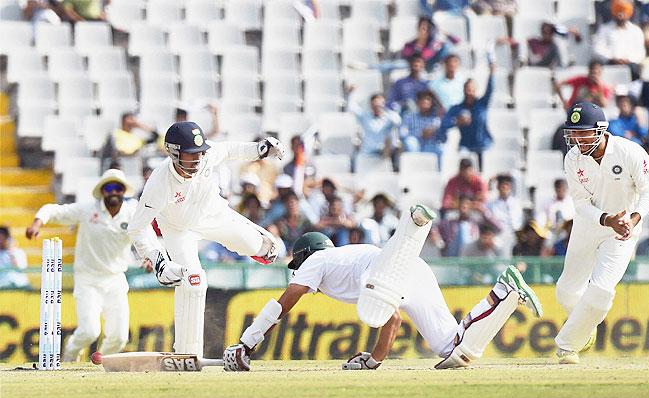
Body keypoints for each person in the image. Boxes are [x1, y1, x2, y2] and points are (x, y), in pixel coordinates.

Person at [220, 206, 542, 372]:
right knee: (454, 351)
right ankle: (503, 292)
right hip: (411, 270)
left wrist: (246, 344)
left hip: (384, 269)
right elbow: (394, 320)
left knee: (377, 309)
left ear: (305, 255)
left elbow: (282, 304)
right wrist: (374, 358)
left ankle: (413, 223)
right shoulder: (341, 259)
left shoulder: (317, 261)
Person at [127, 122, 286, 357]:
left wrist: (260, 149)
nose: (197, 161)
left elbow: (231, 150)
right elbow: (137, 228)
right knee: (193, 282)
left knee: (267, 249)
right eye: (189, 156)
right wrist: (158, 260)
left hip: (214, 214)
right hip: (178, 229)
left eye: (199, 154)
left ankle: (256, 245)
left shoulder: (206, 155)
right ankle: (186, 354)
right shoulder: (159, 183)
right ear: (173, 153)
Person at [555, 102, 649, 364]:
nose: (577, 139)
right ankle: (584, 331)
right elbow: (580, 204)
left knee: (601, 290)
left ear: (600, 130)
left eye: (583, 132)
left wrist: (632, 220)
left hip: (623, 229)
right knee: (566, 292)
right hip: (590, 224)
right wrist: (605, 219)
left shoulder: (630, 152)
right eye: (573, 133)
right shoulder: (573, 158)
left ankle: (567, 346)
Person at [25, 169, 153, 361]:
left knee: (119, 337)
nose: (113, 192)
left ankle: (102, 365)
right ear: (102, 191)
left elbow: (147, 237)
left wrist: (149, 256)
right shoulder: (88, 210)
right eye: (109, 188)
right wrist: (37, 223)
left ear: (123, 191)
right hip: (88, 279)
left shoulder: (132, 212)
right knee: (89, 331)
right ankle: (69, 357)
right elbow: (54, 210)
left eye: (118, 188)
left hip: (115, 279)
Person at [437, 58, 496, 167]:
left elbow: (490, 90)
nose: (470, 92)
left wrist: (492, 74)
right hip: (466, 146)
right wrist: (456, 121)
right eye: (467, 89)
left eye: (472, 89)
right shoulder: (457, 108)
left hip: (483, 145)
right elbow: (444, 123)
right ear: (464, 90)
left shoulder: (482, 104)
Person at [592, 0, 646, 79]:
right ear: (613, 13)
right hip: (610, 64)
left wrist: (628, 59)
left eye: (624, 12)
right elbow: (597, 49)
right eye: (618, 12)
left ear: (629, 14)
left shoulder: (636, 31)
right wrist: (613, 58)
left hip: (630, 65)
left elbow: (640, 52)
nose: (621, 15)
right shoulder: (604, 29)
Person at [347, 89, 401, 158]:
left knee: (393, 133)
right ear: (371, 105)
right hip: (368, 151)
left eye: (380, 104)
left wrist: (387, 111)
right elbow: (352, 108)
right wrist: (352, 93)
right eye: (375, 104)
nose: (377, 107)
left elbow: (398, 121)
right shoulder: (365, 116)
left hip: (385, 151)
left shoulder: (390, 116)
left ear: (384, 103)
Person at [399, 90, 443, 164]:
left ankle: (438, 173)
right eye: (423, 99)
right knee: (410, 141)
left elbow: (441, 135)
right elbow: (402, 133)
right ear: (417, 102)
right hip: (414, 144)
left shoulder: (435, 118)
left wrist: (432, 132)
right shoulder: (409, 116)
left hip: (430, 144)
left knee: (440, 149)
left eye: (428, 100)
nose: (426, 102)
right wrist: (420, 134)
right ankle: (413, 167)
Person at [487, 174, 523, 255]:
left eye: (507, 185)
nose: (505, 188)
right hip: (498, 236)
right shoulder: (491, 204)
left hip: (515, 235)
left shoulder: (516, 203)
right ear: (498, 187)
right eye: (502, 185)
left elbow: (518, 222)